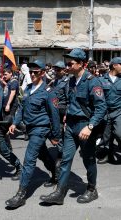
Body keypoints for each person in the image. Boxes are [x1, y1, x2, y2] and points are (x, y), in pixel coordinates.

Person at [40, 48, 107, 205]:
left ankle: (91, 189)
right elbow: (69, 100)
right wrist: (66, 115)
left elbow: (101, 107)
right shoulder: (70, 81)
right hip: (70, 125)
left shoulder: (92, 81)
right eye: (66, 63)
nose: (67, 66)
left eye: (70, 63)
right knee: (65, 158)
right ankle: (59, 192)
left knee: (88, 159)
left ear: (81, 64)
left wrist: (90, 126)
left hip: (85, 126)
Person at [5, 60, 61, 208]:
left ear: (42, 73)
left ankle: (21, 194)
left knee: (29, 159)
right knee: (42, 154)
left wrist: (55, 136)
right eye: (30, 72)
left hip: (40, 129)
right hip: (29, 128)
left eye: (36, 72)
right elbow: (22, 108)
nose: (32, 74)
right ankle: (56, 174)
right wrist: (15, 123)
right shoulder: (28, 89)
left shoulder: (48, 92)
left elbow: (54, 115)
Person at [43, 61, 69, 186]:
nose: (56, 72)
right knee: (59, 143)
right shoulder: (55, 81)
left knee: (60, 143)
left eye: (58, 70)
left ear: (64, 70)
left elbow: (70, 100)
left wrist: (66, 116)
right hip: (54, 114)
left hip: (62, 114)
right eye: (55, 69)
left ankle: (58, 176)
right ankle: (59, 173)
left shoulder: (67, 82)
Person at [97, 57, 121, 164]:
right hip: (105, 112)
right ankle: (108, 155)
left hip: (118, 111)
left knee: (119, 133)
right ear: (114, 65)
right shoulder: (101, 80)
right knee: (107, 136)